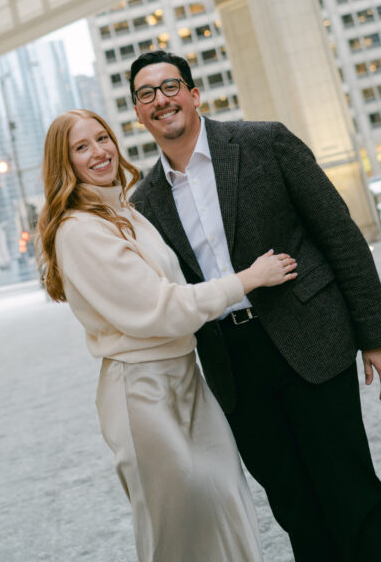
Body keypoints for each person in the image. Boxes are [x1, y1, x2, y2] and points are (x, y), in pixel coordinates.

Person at [129, 49, 381, 562]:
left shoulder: (264, 142)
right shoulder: (144, 203)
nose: (160, 100)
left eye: (170, 87)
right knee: (296, 510)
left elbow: (338, 233)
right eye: (146, 94)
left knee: (351, 493)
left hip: (311, 339)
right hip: (235, 368)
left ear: (193, 95)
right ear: (139, 114)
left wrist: (377, 336)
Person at [36, 108, 299, 562]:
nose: (99, 152)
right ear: (64, 163)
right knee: (180, 538)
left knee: (228, 509)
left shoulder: (126, 213)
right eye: (81, 147)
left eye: (102, 138)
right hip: (142, 394)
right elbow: (162, 308)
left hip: (187, 380)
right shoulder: (78, 231)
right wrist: (247, 279)